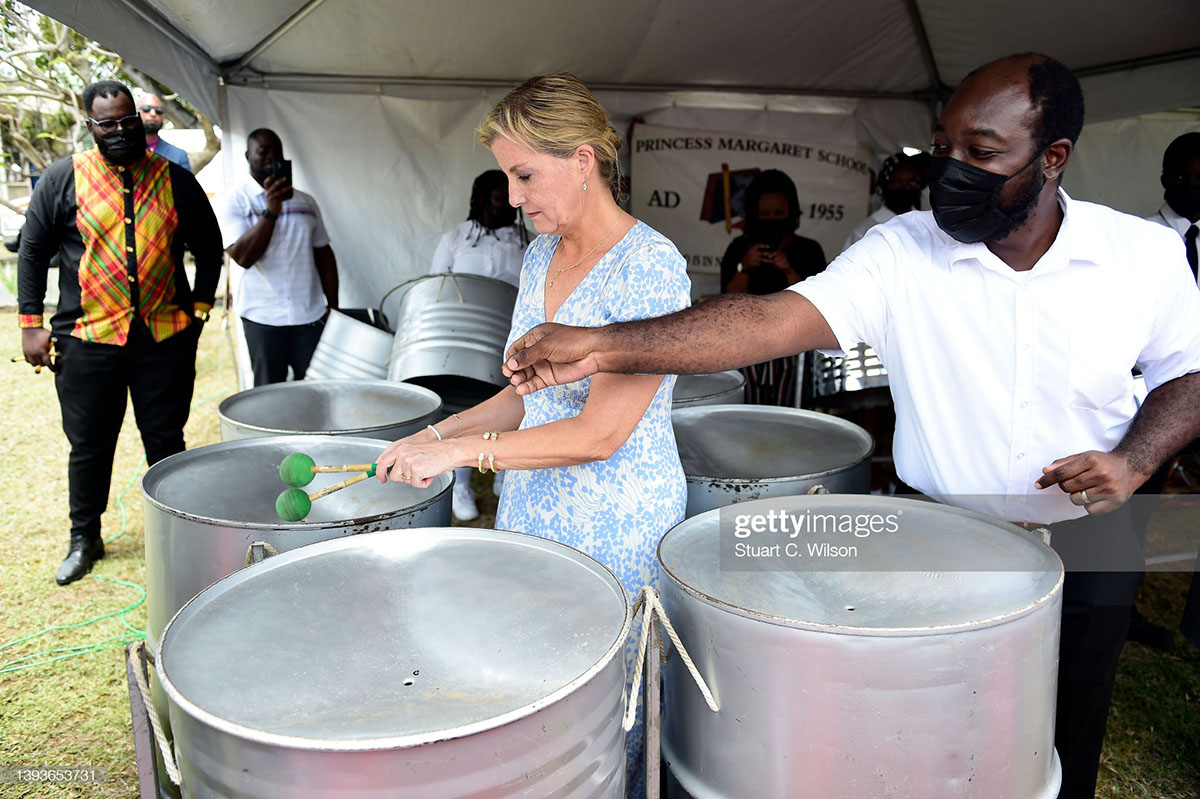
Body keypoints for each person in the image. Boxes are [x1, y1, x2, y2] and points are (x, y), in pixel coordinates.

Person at [500, 54, 1200, 799]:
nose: (951, 170)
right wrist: (604, 343)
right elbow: (765, 320)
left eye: (982, 153)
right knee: (936, 744)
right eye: (944, 148)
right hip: (944, 536)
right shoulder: (903, 252)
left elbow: (1187, 375)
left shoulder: (1141, 257)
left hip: (1089, 532)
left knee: (1067, 739)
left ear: (1053, 157)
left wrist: (1133, 460)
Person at [374, 73, 691, 798]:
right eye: (505, 176)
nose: (513, 196)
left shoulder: (650, 269)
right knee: (535, 702)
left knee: (605, 720)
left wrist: (459, 453)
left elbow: (598, 433)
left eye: (524, 174)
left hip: (616, 526)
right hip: (534, 512)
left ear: (583, 160)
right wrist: (437, 430)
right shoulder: (541, 255)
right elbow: (525, 402)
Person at [17, 80, 223, 585]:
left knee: (166, 440)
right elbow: (33, 250)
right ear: (91, 126)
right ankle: (85, 537)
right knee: (89, 445)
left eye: (126, 119)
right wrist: (29, 325)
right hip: (88, 340)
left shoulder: (174, 178)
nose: (119, 130)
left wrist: (197, 311)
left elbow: (210, 246)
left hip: (163, 338)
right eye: (106, 122)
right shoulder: (62, 179)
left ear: (139, 118)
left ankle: (177, 533)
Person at [429, 169, 531, 520]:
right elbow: (435, 290)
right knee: (460, 409)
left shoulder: (527, 239)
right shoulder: (457, 237)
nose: (501, 199)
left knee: (515, 405)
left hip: (515, 341)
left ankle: (505, 472)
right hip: (465, 343)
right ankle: (460, 482)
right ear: (479, 197)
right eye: (494, 192)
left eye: (506, 191)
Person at [218, 128, 339, 385]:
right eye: (264, 152)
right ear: (249, 155)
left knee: (317, 388)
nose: (272, 158)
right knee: (269, 393)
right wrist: (271, 213)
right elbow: (243, 257)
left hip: (309, 314)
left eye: (278, 152)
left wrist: (334, 307)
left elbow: (324, 254)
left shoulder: (306, 203)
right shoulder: (234, 201)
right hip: (263, 316)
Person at [719, 169, 825, 405]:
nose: (772, 219)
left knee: (788, 414)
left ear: (791, 213)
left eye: (779, 213)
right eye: (765, 213)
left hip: (794, 351)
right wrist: (744, 266)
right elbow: (727, 297)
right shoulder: (739, 247)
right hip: (747, 346)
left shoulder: (808, 249)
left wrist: (788, 270)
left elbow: (819, 304)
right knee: (749, 411)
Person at [842, 151, 927, 251]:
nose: (905, 188)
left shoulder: (927, 225)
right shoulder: (864, 232)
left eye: (911, 183)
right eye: (897, 183)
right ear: (884, 186)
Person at [136, 91, 191, 171]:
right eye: (146, 109)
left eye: (159, 111)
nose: (153, 114)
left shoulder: (178, 156)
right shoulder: (118, 150)